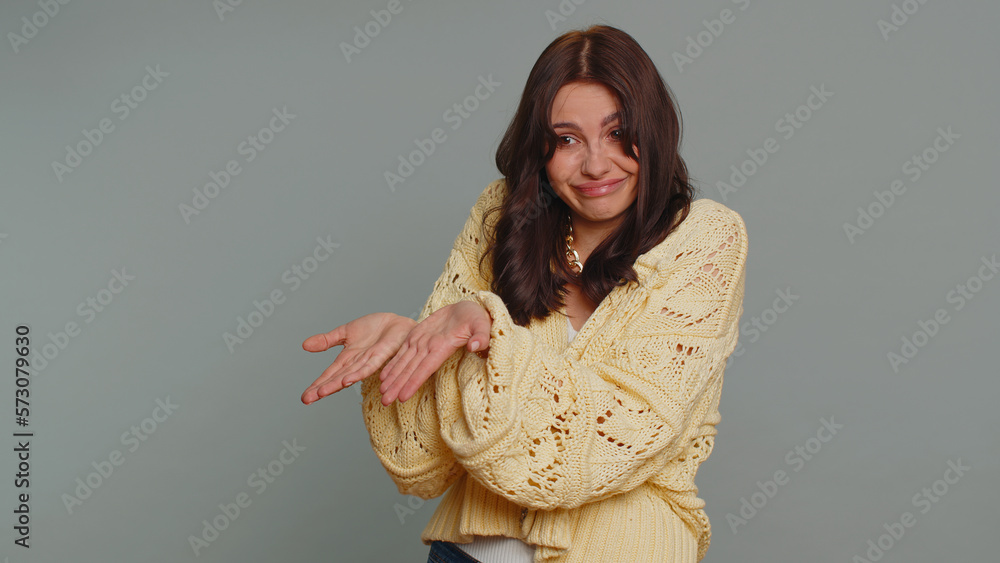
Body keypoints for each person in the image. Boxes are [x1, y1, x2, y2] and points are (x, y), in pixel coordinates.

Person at [301, 24, 748, 563]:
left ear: (652, 130)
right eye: (567, 139)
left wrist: (486, 331)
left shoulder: (704, 238)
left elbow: (617, 436)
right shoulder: (501, 216)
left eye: (616, 131)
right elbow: (422, 466)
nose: (596, 164)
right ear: (540, 148)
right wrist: (409, 346)